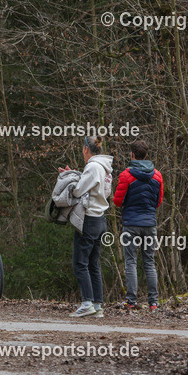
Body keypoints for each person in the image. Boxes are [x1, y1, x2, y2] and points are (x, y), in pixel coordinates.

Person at [59, 136, 113, 318]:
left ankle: (86, 303)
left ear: (85, 149)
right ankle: (98, 305)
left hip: (89, 220)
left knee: (80, 263)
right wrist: (71, 173)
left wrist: (69, 181)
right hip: (101, 219)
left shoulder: (92, 166)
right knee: (93, 264)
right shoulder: (105, 168)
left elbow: (77, 191)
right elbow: (96, 188)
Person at [113, 140, 163, 311]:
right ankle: (153, 303)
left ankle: (131, 301)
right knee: (149, 262)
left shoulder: (126, 175)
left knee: (131, 262)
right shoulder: (158, 175)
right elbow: (158, 201)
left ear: (132, 155)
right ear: (146, 155)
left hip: (131, 224)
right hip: (150, 223)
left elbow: (117, 201)